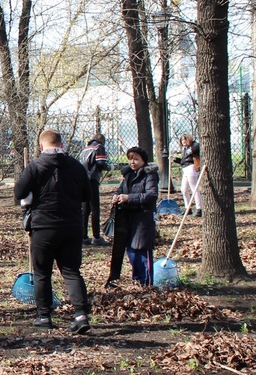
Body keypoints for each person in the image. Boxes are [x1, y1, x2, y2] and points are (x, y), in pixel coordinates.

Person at [13, 129, 93, 334]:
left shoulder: (35, 167)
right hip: (72, 225)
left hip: (43, 226)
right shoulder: (76, 166)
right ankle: (81, 314)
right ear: (62, 144)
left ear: (41, 146)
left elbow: (19, 193)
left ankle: (44, 315)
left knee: (42, 273)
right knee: (71, 271)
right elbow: (86, 195)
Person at [106, 146, 160, 287]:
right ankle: (137, 280)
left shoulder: (150, 174)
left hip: (143, 218)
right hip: (127, 217)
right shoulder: (128, 174)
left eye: (136, 159)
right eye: (130, 159)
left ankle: (146, 283)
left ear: (143, 160)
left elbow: (151, 195)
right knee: (131, 251)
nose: (132, 162)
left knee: (141, 250)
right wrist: (116, 196)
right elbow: (120, 190)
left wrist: (129, 198)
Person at [78, 134, 112, 247]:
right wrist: (109, 167)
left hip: (82, 180)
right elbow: (101, 163)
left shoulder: (85, 149)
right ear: (102, 140)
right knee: (95, 208)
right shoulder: (99, 147)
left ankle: (83, 236)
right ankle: (96, 237)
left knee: (85, 209)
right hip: (92, 179)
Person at [175, 133, 202, 216]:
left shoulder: (194, 146)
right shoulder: (183, 148)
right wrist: (177, 160)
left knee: (194, 189)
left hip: (191, 168)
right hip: (185, 168)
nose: (184, 141)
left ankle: (199, 209)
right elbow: (184, 160)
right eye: (182, 140)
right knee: (184, 189)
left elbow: (195, 151)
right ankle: (188, 208)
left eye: (185, 139)